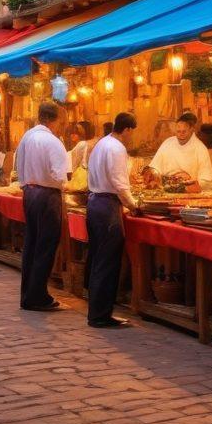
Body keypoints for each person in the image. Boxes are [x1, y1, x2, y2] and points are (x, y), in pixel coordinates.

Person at [85, 112, 139, 329]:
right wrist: (133, 205)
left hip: (95, 202)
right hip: (107, 206)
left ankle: (97, 311)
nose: (130, 137)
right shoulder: (117, 148)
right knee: (107, 262)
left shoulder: (101, 143)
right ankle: (100, 314)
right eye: (131, 133)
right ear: (126, 130)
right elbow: (120, 183)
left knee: (99, 259)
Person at [16, 101, 70, 312]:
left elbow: (19, 166)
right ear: (52, 120)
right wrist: (65, 185)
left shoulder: (27, 137)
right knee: (46, 244)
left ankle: (28, 294)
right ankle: (38, 295)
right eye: (61, 122)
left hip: (29, 193)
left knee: (31, 243)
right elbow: (60, 176)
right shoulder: (52, 141)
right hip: (47, 195)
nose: (62, 126)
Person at [149, 112, 212, 191]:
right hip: (165, 189)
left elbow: (207, 182)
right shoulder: (167, 143)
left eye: (184, 132)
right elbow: (154, 168)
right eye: (178, 131)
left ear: (191, 130)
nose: (180, 135)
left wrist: (188, 183)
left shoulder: (200, 148)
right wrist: (154, 175)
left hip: (189, 192)